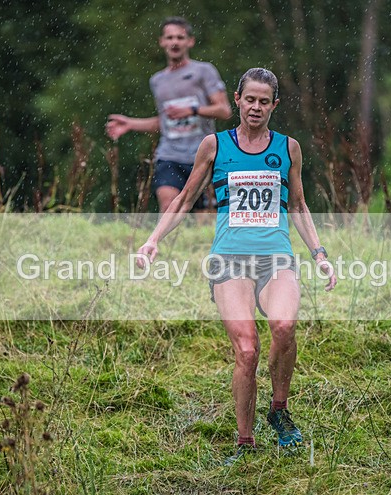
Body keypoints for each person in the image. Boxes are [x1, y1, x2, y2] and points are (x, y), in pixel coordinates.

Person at [134, 68, 337, 464]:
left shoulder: (288, 148)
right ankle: (245, 444)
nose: (256, 107)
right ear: (238, 100)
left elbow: (297, 205)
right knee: (247, 350)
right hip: (229, 262)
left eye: (265, 101)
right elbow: (184, 199)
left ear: (274, 105)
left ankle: (278, 411)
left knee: (284, 326)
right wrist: (153, 240)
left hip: (276, 258)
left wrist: (320, 255)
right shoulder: (214, 145)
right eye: (250, 100)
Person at [105, 16, 232, 213]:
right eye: (170, 37)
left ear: (190, 41)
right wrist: (130, 124)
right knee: (169, 207)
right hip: (169, 155)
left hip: (201, 155)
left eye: (180, 38)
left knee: (204, 218)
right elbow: (164, 122)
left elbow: (224, 110)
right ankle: (164, 244)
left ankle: (197, 244)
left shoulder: (203, 71)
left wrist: (193, 109)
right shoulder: (157, 80)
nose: (175, 42)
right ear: (162, 42)